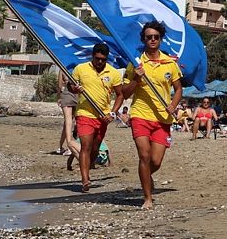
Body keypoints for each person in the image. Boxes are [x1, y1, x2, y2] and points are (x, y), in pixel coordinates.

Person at [121, 21, 183, 210]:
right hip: (140, 115)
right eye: (149, 37)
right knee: (144, 156)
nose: (153, 40)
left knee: (155, 161)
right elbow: (124, 93)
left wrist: (173, 104)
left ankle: (147, 176)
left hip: (162, 118)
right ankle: (147, 198)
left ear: (161, 39)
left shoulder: (169, 63)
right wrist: (137, 78)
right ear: (144, 39)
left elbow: (179, 89)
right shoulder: (136, 62)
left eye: (156, 37)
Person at [69, 42, 124, 192]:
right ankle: (85, 180)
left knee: (95, 148)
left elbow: (120, 95)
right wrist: (74, 88)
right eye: (97, 58)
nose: (100, 62)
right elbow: (70, 86)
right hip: (84, 114)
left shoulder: (113, 73)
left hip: (103, 116)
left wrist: (112, 113)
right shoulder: (81, 69)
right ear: (92, 56)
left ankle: (89, 165)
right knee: (85, 146)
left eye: (103, 59)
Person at [56, 71, 78, 157]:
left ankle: (68, 146)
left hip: (67, 95)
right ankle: (62, 146)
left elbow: (59, 85)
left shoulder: (62, 68)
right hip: (78, 95)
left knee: (68, 122)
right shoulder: (79, 67)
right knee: (73, 122)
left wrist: (58, 97)